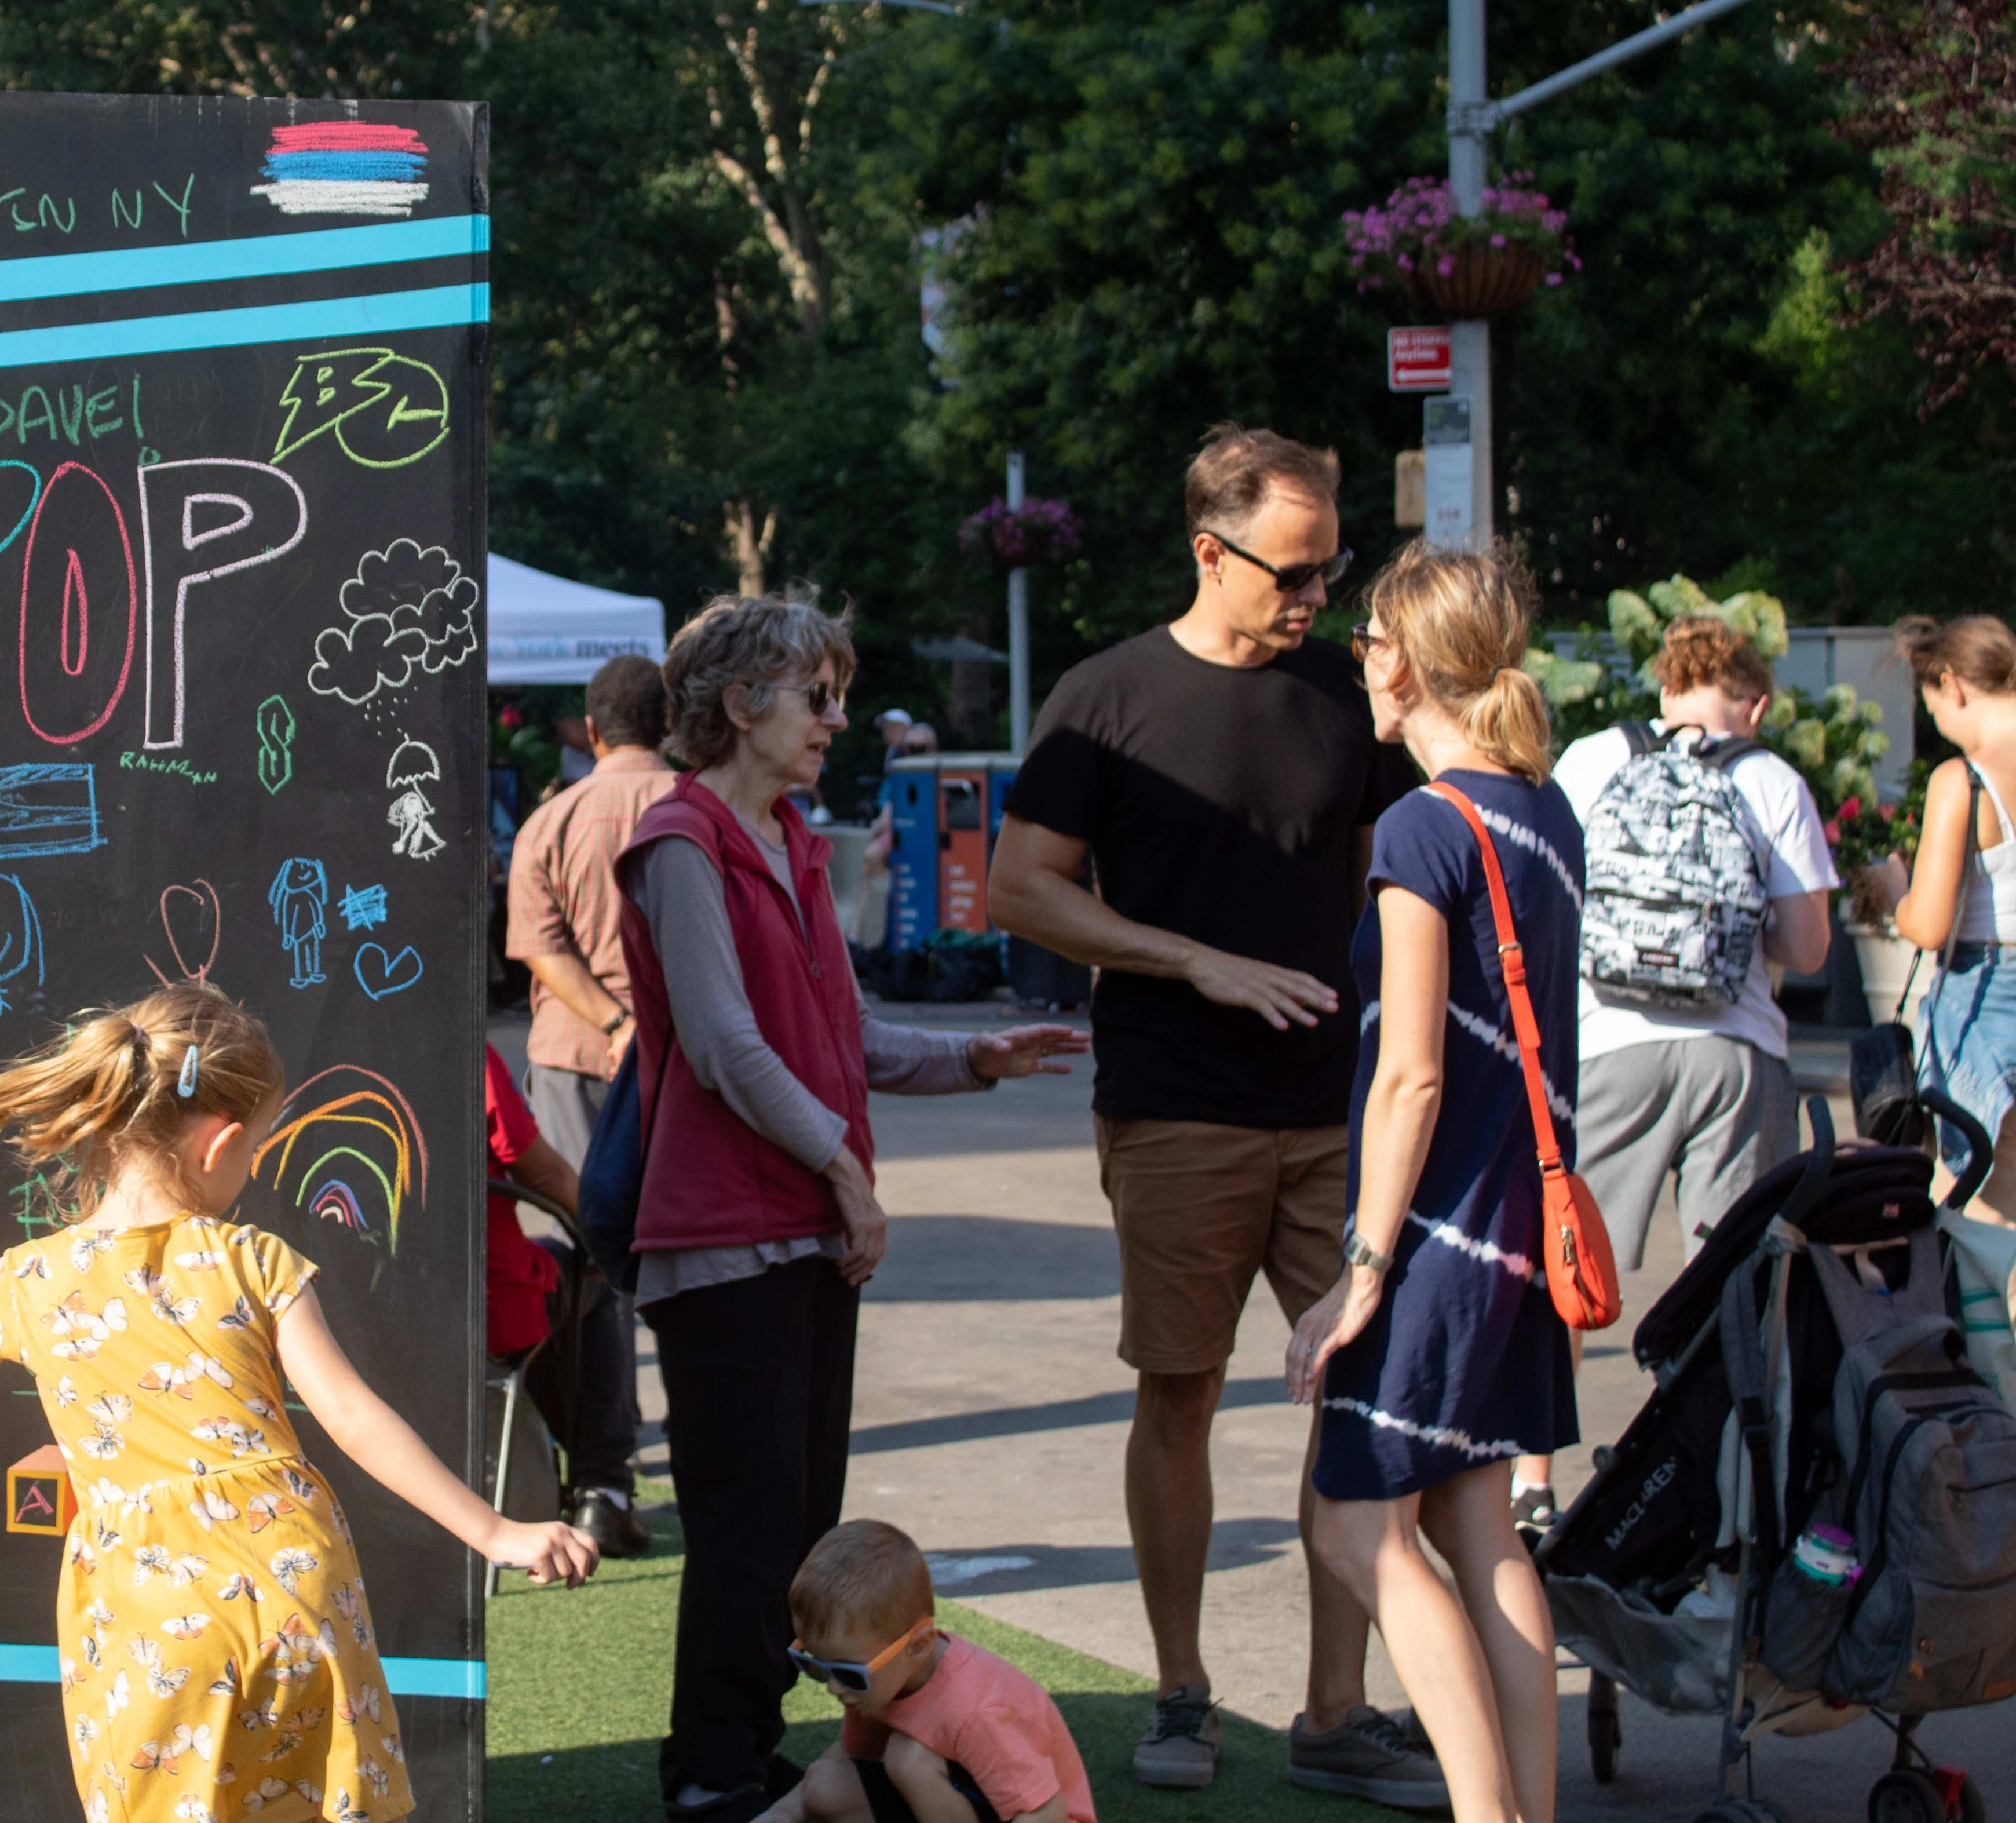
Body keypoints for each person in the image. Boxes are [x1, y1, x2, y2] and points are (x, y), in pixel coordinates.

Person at [0, 983, 597, 1823]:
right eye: (256, 1151)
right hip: (297, 1589)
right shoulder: (253, 1261)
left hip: (147, 1617)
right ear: (220, 1145)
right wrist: (496, 1531)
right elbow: (355, 1419)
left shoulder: (27, 1281)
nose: (250, 1174)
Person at [985, 425, 1429, 1803]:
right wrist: (1191, 956)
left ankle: (1332, 1706)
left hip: (1334, 1112)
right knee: (1176, 1391)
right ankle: (1180, 1687)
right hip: (1176, 1104)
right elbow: (1019, 885)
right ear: (1208, 550)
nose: (1312, 597)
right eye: (1291, 572)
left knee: (1359, 1396)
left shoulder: (1341, 699)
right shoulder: (1105, 694)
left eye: (1327, 568)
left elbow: (1386, 867)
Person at [621, 589, 1086, 1823]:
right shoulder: (683, 841)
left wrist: (973, 1059)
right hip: (724, 1235)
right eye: (816, 697)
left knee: (794, 1521)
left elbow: (842, 1034)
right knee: (746, 1524)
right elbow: (723, 1043)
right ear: (740, 704)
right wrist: (844, 1169)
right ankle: (712, 1771)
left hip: (801, 1238)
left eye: (838, 695)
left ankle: (738, 1752)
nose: (837, 719)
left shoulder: (791, 843)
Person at [1286, 541, 1579, 1823]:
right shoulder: (1540, 808)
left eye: (1363, 639)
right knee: (1479, 1524)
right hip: (1518, 1229)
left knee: (1357, 1530)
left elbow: (1408, 1076)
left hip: (1438, 1237)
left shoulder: (1422, 824)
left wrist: (1357, 1273)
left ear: (1399, 659)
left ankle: (1486, 1815)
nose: (1357, 659)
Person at [1517, 618, 1835, 1523]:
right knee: (1730, 1280)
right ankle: (1714, 1484)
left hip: (1608, 1046)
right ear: (1758, 704)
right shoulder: (1771, 779)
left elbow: (1547, 893)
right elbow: (1807, 948)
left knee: (1573, 1271)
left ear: (1662, 689)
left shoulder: (1594, 758)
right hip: (1737, 1056)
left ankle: (1533, 1484)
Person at [761, 1519, 1097, 1823]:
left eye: (848, 1672)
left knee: (910, 1760)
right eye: (815, 1665)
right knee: (826, 1785)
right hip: (963, 1803)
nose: (834, 1687)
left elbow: (1045, 1812)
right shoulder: (879, 1683)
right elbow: (851, 1758)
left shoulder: (976, 1710)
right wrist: (781, 1814)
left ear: (919, 1646)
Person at [508, 653, 682, 1149]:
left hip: (576, 1053)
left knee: (583, 1219)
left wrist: (617, 1024)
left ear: (591, 730)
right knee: (677, 1222)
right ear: (668, 726)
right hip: (684, 1054)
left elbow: (540, 949)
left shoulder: (549, 824)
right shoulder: (707, 815)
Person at [483, 1042, 649, 1555]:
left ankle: (555, 1473)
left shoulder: (298, 1039)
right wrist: (603, 1238)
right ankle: (605, 1491)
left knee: (557, 1268)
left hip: (352, 1312)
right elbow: (540, 1169)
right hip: (481, 1306)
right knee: (598, 1274)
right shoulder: (454, 1038)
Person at [1887, 612, 2016, 1222]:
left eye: (1933, 703)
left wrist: (1893, 892)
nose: (1937, 720)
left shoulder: (1963, 779)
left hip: (1989, 1001)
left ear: (1954, 684)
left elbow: (1931, 925)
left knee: (1976, 1223)